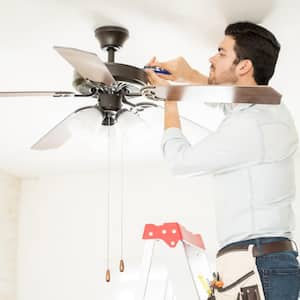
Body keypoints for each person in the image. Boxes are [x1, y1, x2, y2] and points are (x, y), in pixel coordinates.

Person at [146, 22, 300, 300]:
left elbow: (179, 162)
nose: (211, 58)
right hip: (257, 260)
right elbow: (224, 99)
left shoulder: (252, 125)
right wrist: (187, 74)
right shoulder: (264, 112)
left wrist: (169, 99)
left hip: (255, 260)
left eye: (221, 52)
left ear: (244, 66)